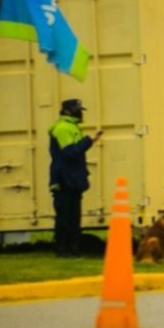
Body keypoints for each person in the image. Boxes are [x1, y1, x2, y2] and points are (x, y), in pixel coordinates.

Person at [49, 98, 101, 258]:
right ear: (67, 112)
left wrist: (89, 141)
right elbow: (70, 152)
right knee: (66, 216)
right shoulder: (63, 128)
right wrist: (88, 141)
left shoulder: (71, 127)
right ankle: (63, 249)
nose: (80, 113)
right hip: (65, 179)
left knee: (73, 216)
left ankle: (73, 248)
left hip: (72, 178)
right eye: (77, 110)